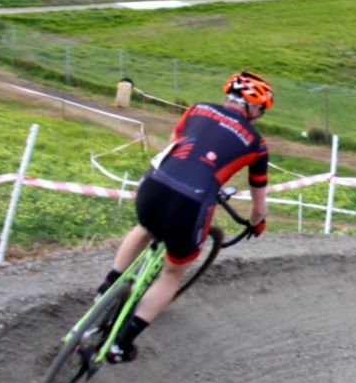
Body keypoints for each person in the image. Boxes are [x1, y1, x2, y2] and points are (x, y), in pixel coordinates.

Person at [98, 71, 274, 363]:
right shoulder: (257, 144)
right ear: (253, 108)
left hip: (155, 185)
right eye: (261, 111)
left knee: (144, 227)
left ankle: (108, 283)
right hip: (191, 202)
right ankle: (120, 345)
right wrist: (257, 224)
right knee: (172, 273)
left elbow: (173, 144)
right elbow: (258, 207)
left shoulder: (197, 108)